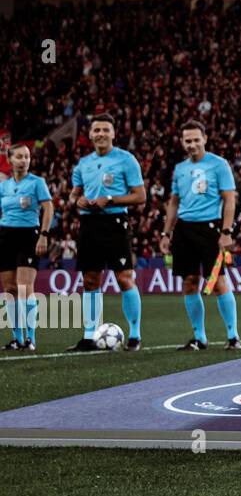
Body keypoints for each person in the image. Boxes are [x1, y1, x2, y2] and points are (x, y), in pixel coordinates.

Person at [65, 114, 147, 352]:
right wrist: (76, 200)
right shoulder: (83, 164)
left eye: (105, 130)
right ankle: (90, 336)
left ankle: (134, 336)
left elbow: (140, 196)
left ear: (113, 133)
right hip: (89, 224)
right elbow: (73, 193)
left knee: (124, 278)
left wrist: (109, 200)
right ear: (90, 135)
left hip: (115, 222)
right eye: (96, 130)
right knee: (90, 280)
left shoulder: (126, 159)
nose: (101, 134)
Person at [160, 121, 241, 351]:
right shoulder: (180, 168)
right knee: (189, 283)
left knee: (217, 283)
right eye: (188, 140)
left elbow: (229, 199)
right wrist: (167, 232)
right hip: (184, 229)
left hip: (211, 229)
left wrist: (226, 232)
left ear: (205, 138)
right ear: (182, 142)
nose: (192, 144)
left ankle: (233, 336)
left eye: (196, 139)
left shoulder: (219, 164)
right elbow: (174, 203)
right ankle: (199, 338)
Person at [1, 143, 53, 352]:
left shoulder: (37, 182)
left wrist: (44, 234)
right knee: (10, 289)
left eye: (27, 157)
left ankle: (30, 338)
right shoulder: (3, 186)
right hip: (5, 235)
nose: (24, 160)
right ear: (10, 159)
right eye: (20, 157)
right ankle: (16, 338)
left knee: (24, 287)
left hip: (28, 235)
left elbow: (48, 207)